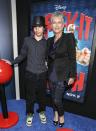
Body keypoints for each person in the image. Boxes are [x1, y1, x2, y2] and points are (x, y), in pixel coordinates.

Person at [12, 16, 48, 126]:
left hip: (42, 75)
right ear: (33, 29)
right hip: (30, 74)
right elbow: (22, 55)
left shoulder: (47, 43)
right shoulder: (27, 40)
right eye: (35, 27)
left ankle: (41, 112)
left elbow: (48, 58)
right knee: (30, 97)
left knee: (42, 96)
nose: (37, 30)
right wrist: (11, 62)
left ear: (44, 28)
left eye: (40, 27)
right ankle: (30, 114)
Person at [47, 12, 76, 127]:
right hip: (51, 74)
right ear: (51, 25)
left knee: (57, 99)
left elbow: (72, 58)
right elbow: (47, 57)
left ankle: (61, 116)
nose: (57, 25)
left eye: (59, 22)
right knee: (53, 97)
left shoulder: (69, 37)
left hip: (63, 75)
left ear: (63, 24)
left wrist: (72, 75)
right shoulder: (49, 40)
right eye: (54, 22)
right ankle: (55, 114)